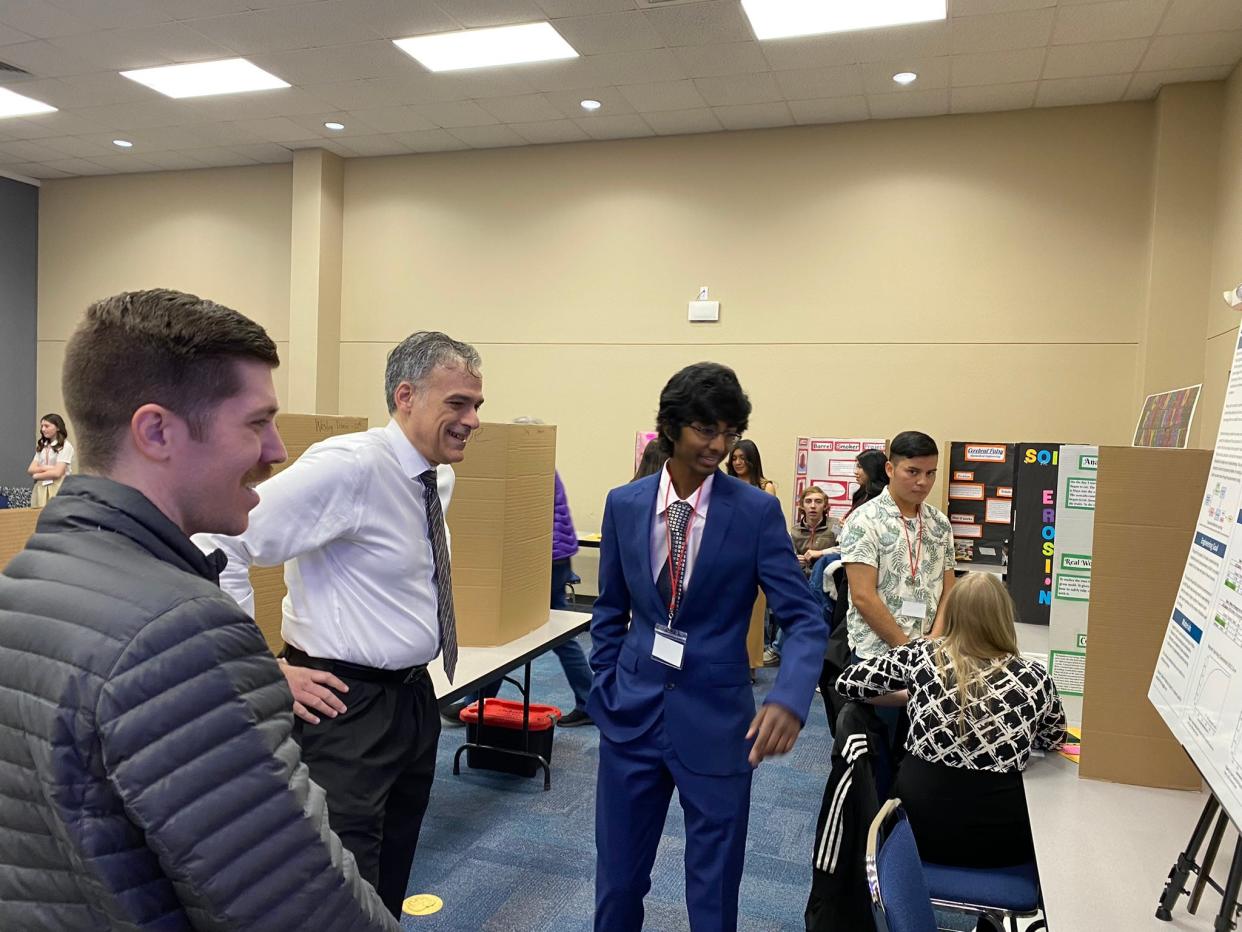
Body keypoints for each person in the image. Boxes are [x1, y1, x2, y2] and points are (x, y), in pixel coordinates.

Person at [0, 289, 395, 931]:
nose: (277, 451)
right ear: (156, 431)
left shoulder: (23, 583)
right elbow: (297, 906)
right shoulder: (180, 631)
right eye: (256, 423)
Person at [201, 331, 484, 918]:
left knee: (391, 877)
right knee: (336, 888)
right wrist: (259, 665)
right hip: (342, 707)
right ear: (406, 396)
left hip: (412, 699)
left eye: (477, 405)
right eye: (458, 403)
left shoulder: (437, 478)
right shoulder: (350, 467)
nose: (473, 419)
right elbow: (220, 541)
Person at [588, 362, 827, 932]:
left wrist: (789, 698)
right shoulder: (625, 504)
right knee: (618, 884)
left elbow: (805, 618)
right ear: (671, 427)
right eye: (704, 430)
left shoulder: (755, 512)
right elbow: (608, 610)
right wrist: (603, 688)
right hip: (631, 717)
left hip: (720, 725)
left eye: (730, 433)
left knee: (714, 893)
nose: (718, 446)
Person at [836, 572, 1067, 866]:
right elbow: (1054, 738)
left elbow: (848, 683)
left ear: (953, 614)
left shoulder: (921, 656)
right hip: (1002, 845)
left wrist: (913, 694)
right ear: (1004, 616)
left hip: (915, 833)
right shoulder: (1034, 678)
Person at [442, 439, 594, 728]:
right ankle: (476, 701)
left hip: (545, 559)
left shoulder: (529, 475)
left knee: (551, 634)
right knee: (514, 631)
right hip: (556, 557)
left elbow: (522, 521)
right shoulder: (544, 470)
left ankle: (588, 701)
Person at [839, 430, 956, 661]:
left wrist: (934, 639)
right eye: (913, 472)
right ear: (890, 469)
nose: (923, 482)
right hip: (877, 651)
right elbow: (863, 596)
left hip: (930, 648)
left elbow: (949, 589)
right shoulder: (864, 520)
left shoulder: (940, 523)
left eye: (930, 473)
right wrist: (906, 649)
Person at [27, 412, 74, 505]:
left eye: (46, 426)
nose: (43, 429)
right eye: (42, 426)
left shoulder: (65, 446)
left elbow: (57, 473)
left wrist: (36, 476)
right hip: (41, 488)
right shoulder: (42, 446)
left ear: (58, 427)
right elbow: (30, 469)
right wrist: (49, 468)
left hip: (58, 487)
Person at [849, 448, 889, 516]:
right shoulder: (862, 493)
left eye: (860, 467)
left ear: (872, 469)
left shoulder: (883, 498)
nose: (855, 472)